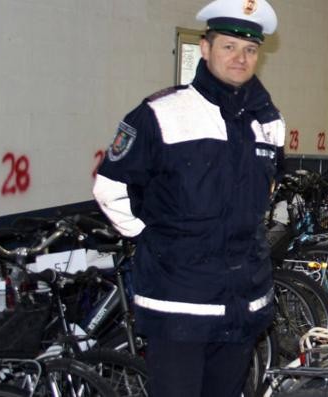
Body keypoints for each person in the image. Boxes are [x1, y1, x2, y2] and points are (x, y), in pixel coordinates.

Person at [92, 0, 283, 395]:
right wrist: (158, 242)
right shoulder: (161, 114)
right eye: (229, 46)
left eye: (249, 49)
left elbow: (267, 190)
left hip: (243, 300)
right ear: (205, 47)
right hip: (179, 305)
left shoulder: (267, 121)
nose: (240, 58)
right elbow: (110, 187)